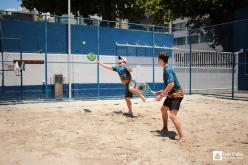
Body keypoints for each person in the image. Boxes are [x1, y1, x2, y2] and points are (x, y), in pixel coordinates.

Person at [155, 52, 185, 142]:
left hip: (176, 95)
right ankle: (165, 128)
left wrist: (161, 95)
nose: (157, 61)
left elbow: (171, 84)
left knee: (172, 115)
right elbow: (169, 84)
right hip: (171, 94)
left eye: (158, 60)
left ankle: (182, 136)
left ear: (161, 60)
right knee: (163, 109)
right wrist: (161, 91)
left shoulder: (167, 69)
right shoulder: (167, 68)